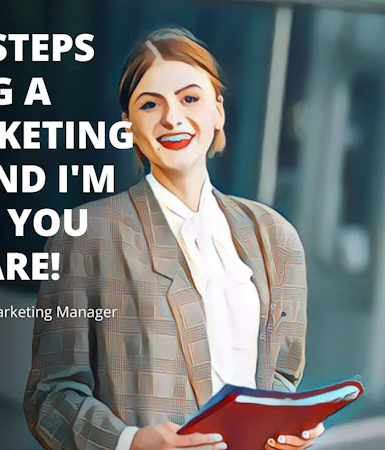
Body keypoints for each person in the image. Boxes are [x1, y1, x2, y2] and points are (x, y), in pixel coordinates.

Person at [24, 27, 323, 450]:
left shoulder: (275, 237)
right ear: (128, 126)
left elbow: (282, 378)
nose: (172, 118)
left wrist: (288, 428)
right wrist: (130, 442)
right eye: (150, 104)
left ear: (218, 110)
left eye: (190, 98)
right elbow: (50, 398)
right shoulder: (90, 234)